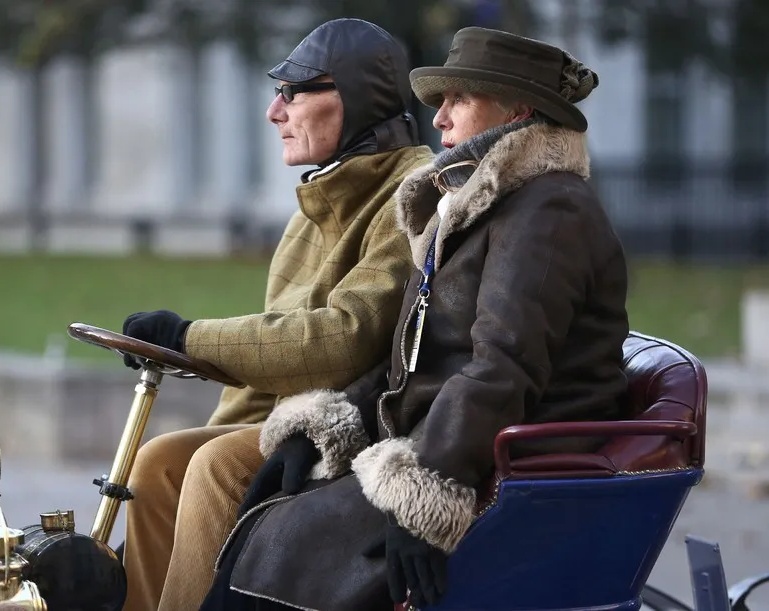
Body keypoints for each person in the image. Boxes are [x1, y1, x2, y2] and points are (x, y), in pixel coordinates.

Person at [200, 26, 631, 611]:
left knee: (273, 552)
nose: (440, 119)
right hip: (440, 444)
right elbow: (416, 358)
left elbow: (503, 368)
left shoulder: (548, 209)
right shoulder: (487, 206)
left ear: (519, 110)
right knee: (259, 529)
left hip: (502, 467)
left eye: (458, 99)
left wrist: (421, 494)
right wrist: (324, 423)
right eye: (440, 101)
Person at [116, 18, 436, 611]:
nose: (274, 112)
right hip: (286, 417)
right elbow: (278, 350)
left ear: (356, 98)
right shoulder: (314, 206)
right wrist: (186, 348)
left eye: (294, 92)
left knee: (214, 465)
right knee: (157, 463)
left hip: (362, 428)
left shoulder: (413, 195)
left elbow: (344, 339)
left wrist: (191, 336)